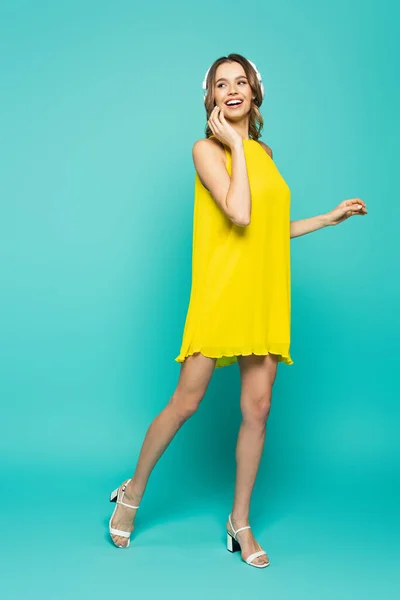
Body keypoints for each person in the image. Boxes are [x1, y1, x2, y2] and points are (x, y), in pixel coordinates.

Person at [108, 53, 367, 568]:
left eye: (241, 82)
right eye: (221, 84)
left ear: (255, 93)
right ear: (210, 99)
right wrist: (232, 145)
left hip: (264, 294)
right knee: (186, 403)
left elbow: (267, 231)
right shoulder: (206, 150)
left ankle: (239, 521)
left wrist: (327, 219)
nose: (232, 90)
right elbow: (239, 213)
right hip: (221, 293)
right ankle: (134, 490)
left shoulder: (264, 154)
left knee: (259, 410)